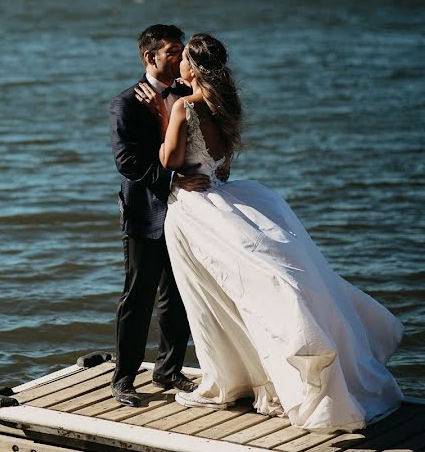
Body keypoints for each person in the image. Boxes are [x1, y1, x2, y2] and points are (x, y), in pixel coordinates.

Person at [134, 33, 403, 432]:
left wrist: (162, 112)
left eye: (185, 58)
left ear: (195, 67)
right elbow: (221, 167)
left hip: (192, 209)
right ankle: (258, 374)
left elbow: (170, 160)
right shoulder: (225, 105)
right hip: (221, 194)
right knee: (241, 291)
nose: (180, 65)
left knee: (209, 299)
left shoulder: (183, 107)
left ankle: (231, 379)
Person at [108, 24, 213, 408]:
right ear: (149, 57)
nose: (180, 57)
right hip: (147, 213)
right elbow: (128, 163)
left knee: (179, 294)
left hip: (191, 213)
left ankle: (169, 369)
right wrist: (174, 179)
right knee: (138, 297)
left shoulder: (191, 95)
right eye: (172, 51)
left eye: (181, 50)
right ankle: (123, 379)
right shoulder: (125, 104)